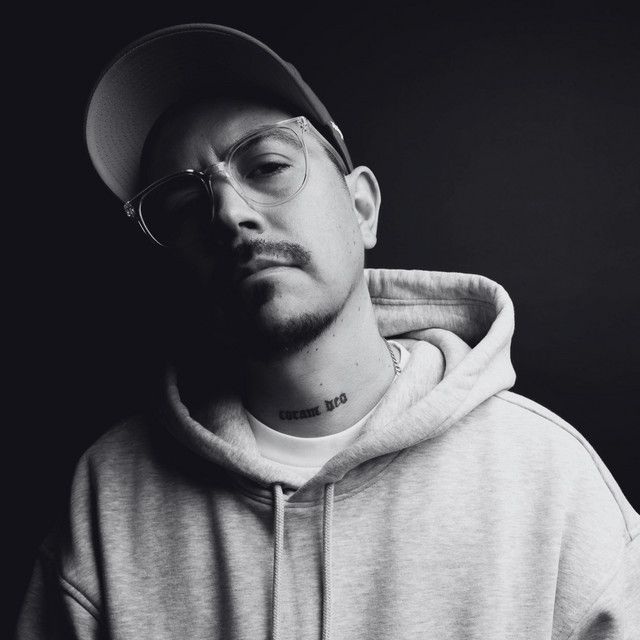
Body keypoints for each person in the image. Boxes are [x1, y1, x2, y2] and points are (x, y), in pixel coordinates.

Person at [15, 23, 639, 640]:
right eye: (184, 205)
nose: (228, 212)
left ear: (362, 208)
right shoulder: (107, 497)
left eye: (267, 165)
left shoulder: (548, 478)